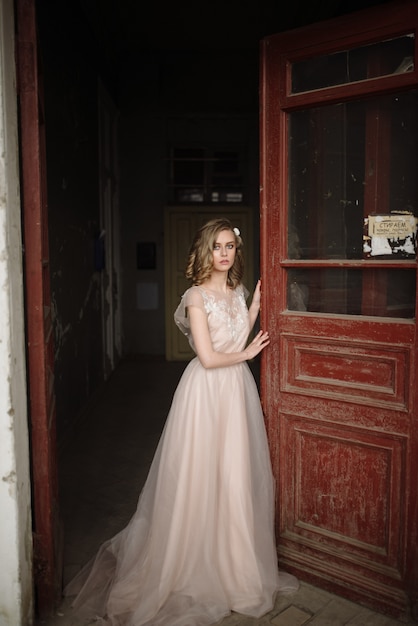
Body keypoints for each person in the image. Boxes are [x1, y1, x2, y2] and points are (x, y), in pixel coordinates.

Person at [64, 217, 298, 625]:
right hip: (205, 392)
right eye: (217, 247)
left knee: (234, 473)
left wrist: (256, 307)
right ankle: (190, 561)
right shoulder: (194, 296)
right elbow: (209, 357)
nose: (224, 254)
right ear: (204, 251)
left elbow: (236, 338)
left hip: (235, 391)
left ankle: (235, 565)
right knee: (198, 474)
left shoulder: (237, 290)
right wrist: (246, 356)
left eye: (230, 247)